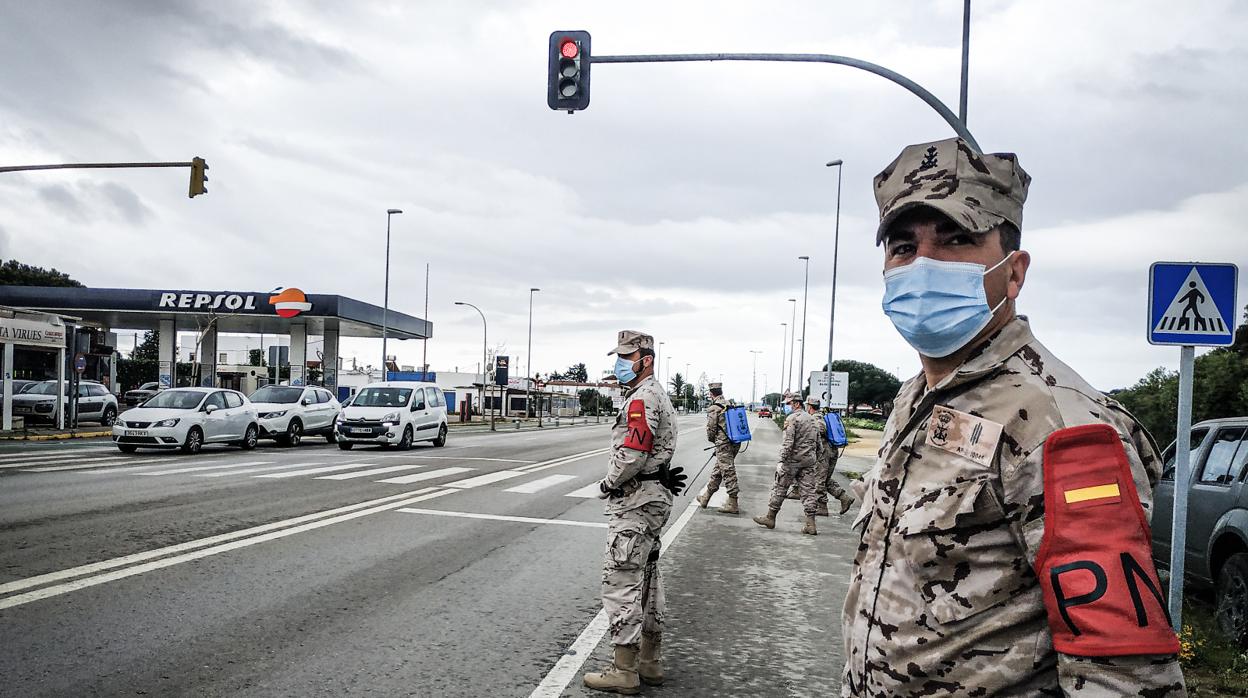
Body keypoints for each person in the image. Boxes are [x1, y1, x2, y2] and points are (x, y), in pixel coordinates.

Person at [841, 137, 1185, 696]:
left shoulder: (1063, 426)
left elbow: (1122, 674)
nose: (923, 264)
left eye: (956, 240)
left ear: (1014, 272)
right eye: (904, 247)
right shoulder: (917, 398)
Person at [584, 330, 684, 694]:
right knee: (648, 579)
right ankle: (649, 662)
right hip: (654, 496)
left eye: (626, 358)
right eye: (619, 357)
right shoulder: (657, 394)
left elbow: (633, 453)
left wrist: (607, 484)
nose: (619, 364)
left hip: (636, 500)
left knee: (621, 581)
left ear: (646, 360)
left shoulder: (642, 399)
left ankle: (624, 669)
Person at [753, 392, 820, 535]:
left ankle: (770, 517)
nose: (787, 407)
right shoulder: (812, 419)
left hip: (792, 461)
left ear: (796, 403)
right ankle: (811, 524)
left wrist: (781, 461)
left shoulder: (792, 419)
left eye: (788, 404)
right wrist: (814, 458)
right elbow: (818, 443)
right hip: (808, 461)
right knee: (809, 492)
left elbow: (788, 443)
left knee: (780, 487)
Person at [805, 396, 855, 516]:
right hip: (832, 450)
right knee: (825, 478)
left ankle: (822, 507)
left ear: (809, 406)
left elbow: (821, 428)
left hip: (824, 452)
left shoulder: (816, 417)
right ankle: (844, 497)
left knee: (819, 479)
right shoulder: (823, 415)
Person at [697, 381, 740, 514]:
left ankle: (733, 503)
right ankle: (706, 497)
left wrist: (714, 442)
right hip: (735, 442)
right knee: (719, 470)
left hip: (723, 444)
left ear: (711, 394)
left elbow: (711, 430)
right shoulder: (730, 404)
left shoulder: (714, 408)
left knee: (727, 471)